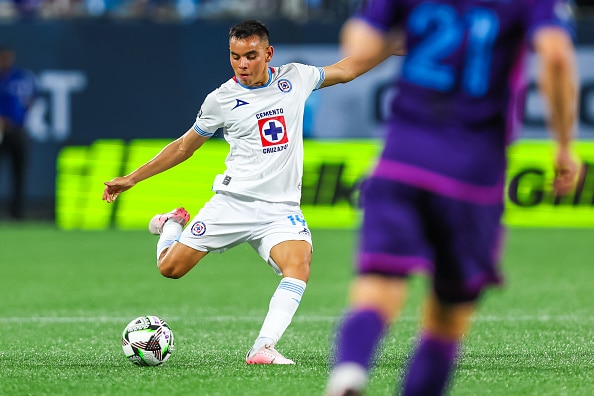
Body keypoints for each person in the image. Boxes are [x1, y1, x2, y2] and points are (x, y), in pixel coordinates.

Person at [102, 19, 402, 365]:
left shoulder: (296, 78)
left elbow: (347, 69)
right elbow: (185, 147)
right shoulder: (221, 100)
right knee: (171, 269)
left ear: (268, 54)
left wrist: (389, 48)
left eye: (250, 55)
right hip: (233, 203)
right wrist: (133, 178)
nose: (242, 64)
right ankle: (171, 225)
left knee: (299, 265)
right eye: (235, 56)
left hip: (280, 209)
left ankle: (263, 347)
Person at [325, 0, 579, 395]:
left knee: (378, 286)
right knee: (446, 317)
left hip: (400, 160)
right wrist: (563, 145)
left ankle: (350, 370)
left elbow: (359, 41)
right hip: (472, 176)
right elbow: (557, 57)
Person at [0, 45, 37, 220]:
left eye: (8, 57)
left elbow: (31, 98)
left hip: (17, 130)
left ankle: (17, 214)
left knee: (19, 174)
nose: (6, 61)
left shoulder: (22, 77)